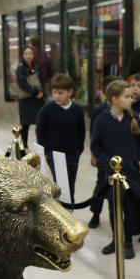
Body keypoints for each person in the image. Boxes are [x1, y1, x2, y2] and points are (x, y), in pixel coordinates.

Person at [91, 79, 140, 259]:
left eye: (131, 97)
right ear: (114, 99)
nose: (131, 100)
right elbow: (96, 146)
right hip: (112, 174)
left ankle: (128, 240)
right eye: (126, 97)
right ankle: (117, 238)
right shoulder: (102, 120)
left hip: (131, 172)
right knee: (114, 208)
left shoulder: (134, 118)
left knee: (130, 208)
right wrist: (106, 162)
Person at [35, 73, 85, 203]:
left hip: (73, 153)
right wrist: (46, 152)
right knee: (61, 185)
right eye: (54, 92)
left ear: (70, 92)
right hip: (54, 154)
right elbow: (40, 131)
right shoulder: (46, 110)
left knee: (71, 184)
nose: (56, 96)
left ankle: (70, 213)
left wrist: (79, 149)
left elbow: (81, 130)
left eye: (60, 93)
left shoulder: (77, 110)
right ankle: (62, 212)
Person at [87, 75, 122, 229]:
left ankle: (115, 217)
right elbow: (93, 134)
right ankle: (95, 213)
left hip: (118, 158)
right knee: (101, 185)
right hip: (103, 156)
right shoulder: (99, 111)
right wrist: (94, 155)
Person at [16, 46, 45, 150]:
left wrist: (42, 92)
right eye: (26, 54)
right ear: (22, 56)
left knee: (40, 122)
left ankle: (41, 143)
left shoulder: (36, 67)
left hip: (37, 100)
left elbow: (42, 81)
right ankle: (24, 146)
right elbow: (22, 83)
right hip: (26, 100)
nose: (28, 56)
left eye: (30, 54)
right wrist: (35, 92)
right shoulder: (20, 68)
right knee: (26, 124)